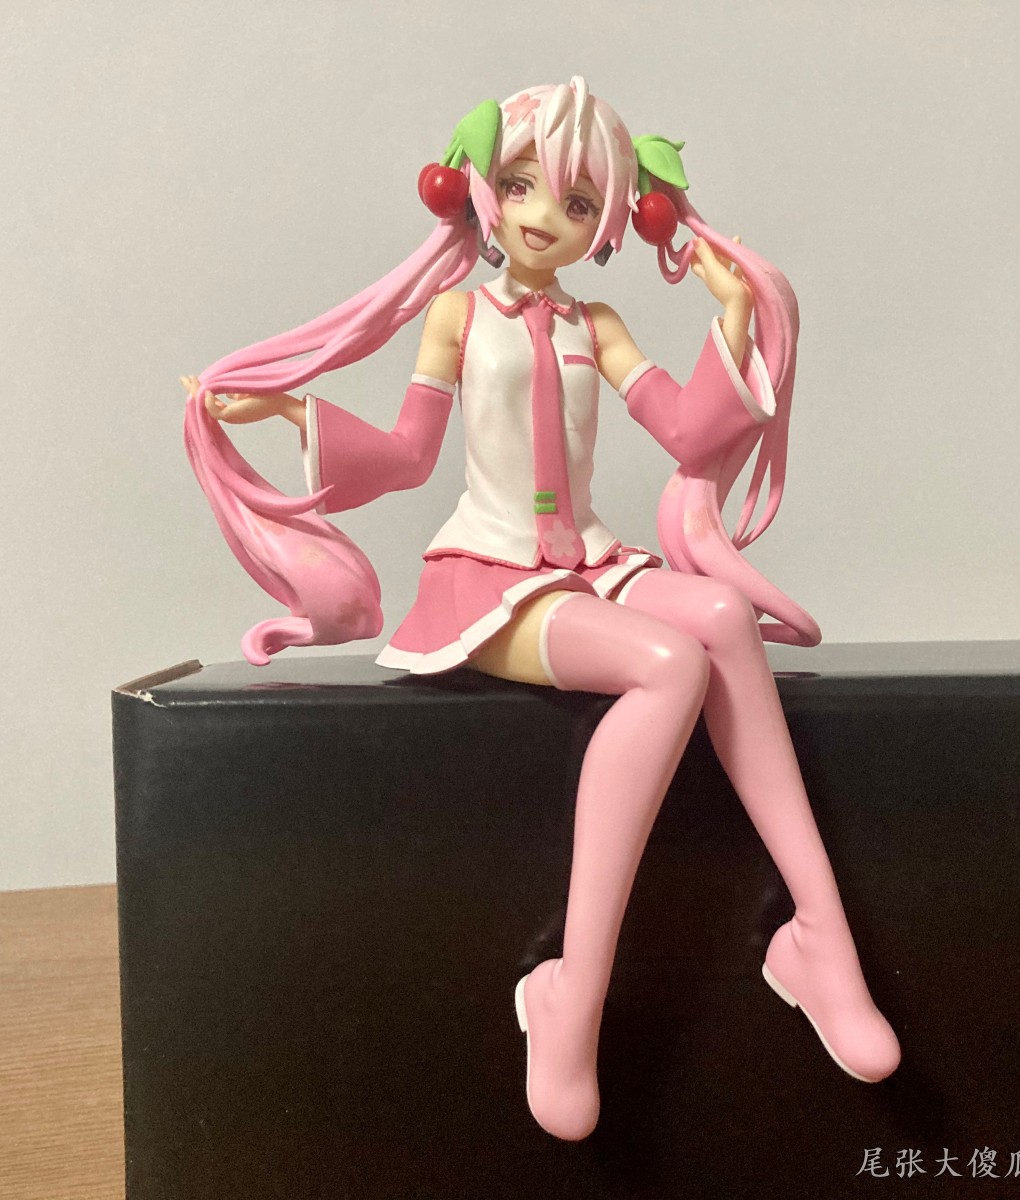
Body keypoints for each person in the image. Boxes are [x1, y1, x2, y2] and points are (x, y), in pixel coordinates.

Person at [183, 77, 900, 1142]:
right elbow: (407, 455)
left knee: (720, 618)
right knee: (670, 664)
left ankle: (820, 941)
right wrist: (294, 409)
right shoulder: (459, 315)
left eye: (575, 201)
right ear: (482, 189)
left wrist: (736, 314)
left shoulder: (596, 324)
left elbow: (689, 432)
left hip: (589, 562)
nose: (542, 216)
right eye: (520, 186)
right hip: (489, 576)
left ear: (605, 221)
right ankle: (573, 989)